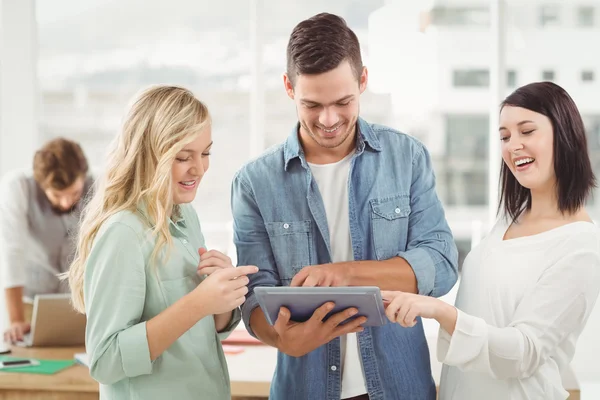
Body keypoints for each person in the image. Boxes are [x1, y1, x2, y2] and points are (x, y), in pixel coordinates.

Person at [231, 12, 459, 400]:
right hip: (303, 389)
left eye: (342, 101)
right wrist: (283, 338)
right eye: (312, 105)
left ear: (363, 80)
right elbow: (254, 294)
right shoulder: (255, 182)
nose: (329, 119)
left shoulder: (407, 158)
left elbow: (441, 264)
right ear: (288, 87)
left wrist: (345, 274)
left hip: (401, 387)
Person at [383, 81, 600, 400]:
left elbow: (525, 351)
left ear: (564, 134)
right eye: (505, 136)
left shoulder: (581, 244)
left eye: (527, 131)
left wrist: (440, 312)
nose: (513, 145)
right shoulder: (508, 221)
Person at [66, 85, 257, 399]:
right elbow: (104, 360)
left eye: (206, 152)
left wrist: (222, 297)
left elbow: (196, 336)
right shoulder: (123, 233)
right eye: (183, 156)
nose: (199, 168)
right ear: (149, 154)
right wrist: (197, 304)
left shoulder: (186, 217)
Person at [0, 137, 93, 343]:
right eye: (57, 195)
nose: (67, 202)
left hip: (81, 305)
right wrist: (16, 320)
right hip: (28, 304)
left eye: (74, 193)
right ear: (42, 185)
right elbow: (12, 253)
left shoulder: (98, 186)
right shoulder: (18, 188)